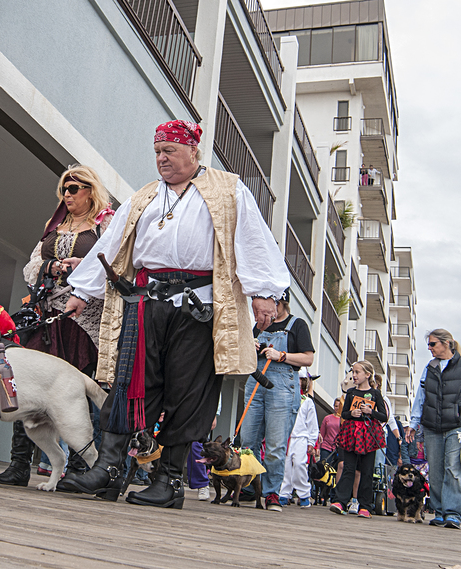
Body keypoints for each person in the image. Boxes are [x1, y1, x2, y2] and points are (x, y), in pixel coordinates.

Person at [56, 120, 289, 509]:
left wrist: (264, 293)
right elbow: (114, 243)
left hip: (199, 307)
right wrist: (83, 290)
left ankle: (170, 479)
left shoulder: (228, 188)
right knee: (128, 384)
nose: (162, 159)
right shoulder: (146, 195)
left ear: (192, 151)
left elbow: (252, 238)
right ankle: (110, 469)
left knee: (188, 391)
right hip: (147, 301)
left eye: (170, 151)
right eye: (158, 152)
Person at [0, 165, 114, 486]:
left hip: (82, 321)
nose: (67, 195)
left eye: (74, 189)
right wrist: (52, 265)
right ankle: (19, 465)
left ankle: (78, 468)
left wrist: (83, 267)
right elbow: (31, 267)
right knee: (25, 385)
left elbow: (113, 268)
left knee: (74, 392)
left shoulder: (106, 225)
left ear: (91, 190)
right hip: (44, 319)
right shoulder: (54, 225)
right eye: (64, 189)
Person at [240, 287, 315, 512]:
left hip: (282, 385)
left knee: (275, 444)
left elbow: (308, 358)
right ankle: (248, 488)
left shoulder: (297, 324)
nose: (265, 315)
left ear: (280, 303)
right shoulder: (257, 326)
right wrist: (248, 347)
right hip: (255, 381)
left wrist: (281, 355)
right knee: (248, 439)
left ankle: (272, 493)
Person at [405, 328, 461, 529]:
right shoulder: (429, 368)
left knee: (454, 469)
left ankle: (453, 513)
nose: (430, 348)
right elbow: (421, 398)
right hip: (432, 426)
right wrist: (414, 424)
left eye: (433, 344)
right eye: (428, 345)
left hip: (456, 427)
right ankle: (439, 511)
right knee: (436, 472)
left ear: (446, 343)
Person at [330, 360, 387, 518]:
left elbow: (384, 416)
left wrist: (370, 412)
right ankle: (340, 501)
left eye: (357, 372)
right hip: (351, 433)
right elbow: (345, 413)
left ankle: (365, 506)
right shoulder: (350, 393)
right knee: (348, 467)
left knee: (367, 470)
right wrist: (351, 414)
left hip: (369, 435)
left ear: (368, 375)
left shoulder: (375, 394)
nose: (354, 376)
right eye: (353, 372)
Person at [279, 370, 319, 508]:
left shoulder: (307, 402)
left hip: (301, 437)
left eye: (300, 379)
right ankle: (284, 494)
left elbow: (312, 424)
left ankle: (304, 494)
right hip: (286, 436)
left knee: (300, 465)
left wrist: (311, 442)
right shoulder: (284, 398)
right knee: (285, 467)